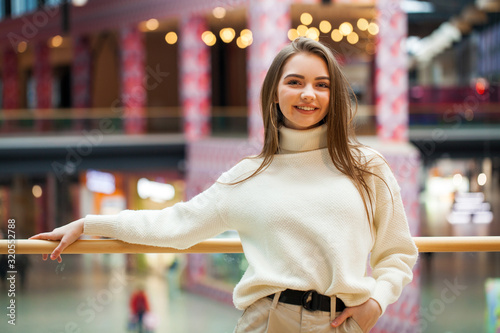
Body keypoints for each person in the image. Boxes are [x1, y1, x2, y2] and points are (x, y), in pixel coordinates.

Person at [31, 37, 418, 333]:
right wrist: (92, 224)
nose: (307, 94)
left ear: (334, 96)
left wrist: (376, 304)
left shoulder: (366, 167)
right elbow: (176, 224)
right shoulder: (247, 175)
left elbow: (398, 253)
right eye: (295, 82)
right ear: (274, 93)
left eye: (322, 84)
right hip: (266, 321)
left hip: (342, 323)